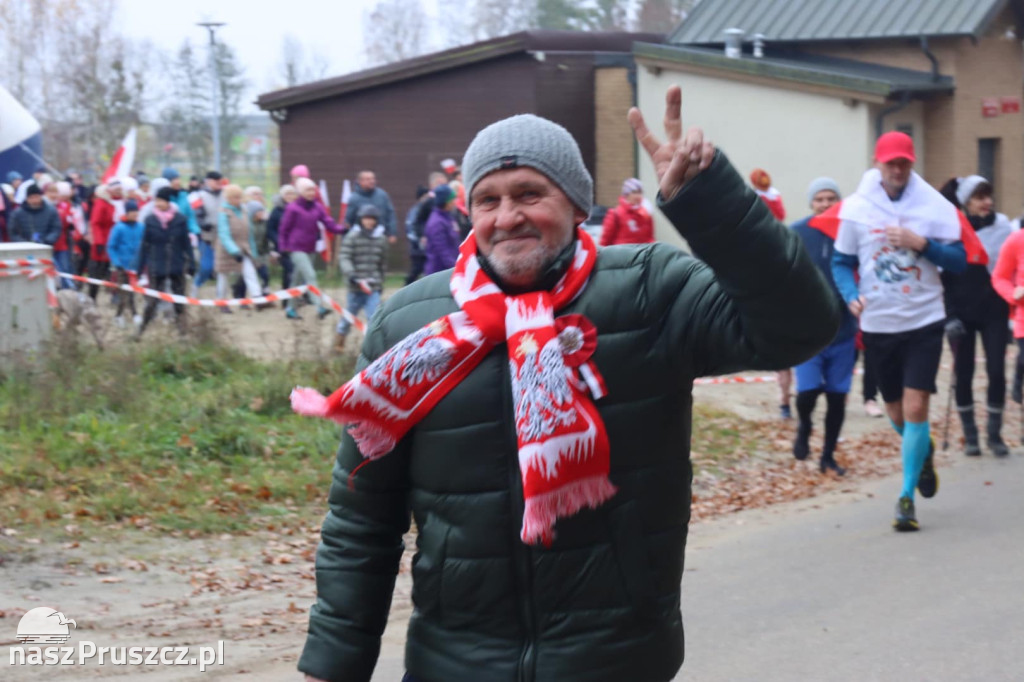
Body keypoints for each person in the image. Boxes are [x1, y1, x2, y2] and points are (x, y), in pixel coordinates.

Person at [292, 88, 839, 682]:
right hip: (455, 661)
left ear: (577, 204)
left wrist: (710, 202)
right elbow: (363, 516)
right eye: (488, 200)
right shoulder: (408, 324)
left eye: (530, 193)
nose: (507, 217)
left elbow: (799, 327)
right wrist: (334, 664)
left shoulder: (648, 291)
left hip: (616, 657)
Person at [832, 131, 967, 532]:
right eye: (890, 163)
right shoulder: (856, 210)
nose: (896, 169)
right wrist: (850, 294)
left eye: (903, 163)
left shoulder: (933, 207)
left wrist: (921, 243)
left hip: (924, 320)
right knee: (895, 411)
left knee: (915, 408)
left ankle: (905, 498)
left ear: (911, 164)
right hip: (878, 325)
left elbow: (958, 262)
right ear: (877, 163)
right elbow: (840, 262)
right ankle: (921, 454)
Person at [937, 175, 1013, 456]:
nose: (988, 202)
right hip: (962, 314)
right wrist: (950, 317)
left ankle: (994, 435)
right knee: (964, 373)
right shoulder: (953, 231)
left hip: (994, 311)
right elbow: (943, 279)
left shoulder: (1003, 227)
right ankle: (971, 436)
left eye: (989, 196)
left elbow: (1010, 268)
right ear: (967, 202)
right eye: (981, 197)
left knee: (996, 371)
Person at [790, 177, 856, 474]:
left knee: (837, 398)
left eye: (831, 198)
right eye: (820, 199)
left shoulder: (850, 230)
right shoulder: (797, 233)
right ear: (811, 203)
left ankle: (828, 455)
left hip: (844, 330)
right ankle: (804, 425)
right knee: (808, 392)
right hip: (808, 331)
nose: (825, 204)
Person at [279, 177, 344, 320]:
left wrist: (341, 230)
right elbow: (284, 229)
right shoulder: (293, 208)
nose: (312, 192)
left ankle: (290, 309)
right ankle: (319, 306)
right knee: (310, 275)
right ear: (301, 192)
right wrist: (282, 248)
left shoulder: (317, 207)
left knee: (296, 280)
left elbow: (328, 222)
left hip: (310, 248)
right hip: (295, 248)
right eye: (308, 190)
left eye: (313, 190)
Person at [135, 186, 195, 338]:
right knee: (152, 301)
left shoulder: (180, 220)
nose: (158, 204)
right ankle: (141, 331)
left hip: (176, 265)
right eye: (157, 200)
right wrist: (139, 267)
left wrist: (192, 262)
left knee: (179, 300)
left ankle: (182, 332)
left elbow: (186, 243)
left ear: (168, 201)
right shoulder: (150, 220)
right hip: (156, 266)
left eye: (161, 201)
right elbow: (145, 245)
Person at [335, 204, 388, 351]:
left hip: (373, 286)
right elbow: (344, 257)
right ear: (361, 220)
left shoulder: (381, 239)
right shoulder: (352, 237)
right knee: (348, 316)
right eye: (366, 218)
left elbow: (382, 262)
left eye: (372, 219)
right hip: (355, 286)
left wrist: (381, 280)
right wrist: (351, 274)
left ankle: (373, 348)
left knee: (374, 317)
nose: (369, 222)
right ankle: (339, 342)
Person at [215, 184, 263, 308]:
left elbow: (249, 232)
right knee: (224, 276)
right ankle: (221, 301)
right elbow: (224, 234)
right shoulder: (223, 212)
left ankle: (257, 298)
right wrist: (234, 251)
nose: (238, 200)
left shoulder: (244, 210)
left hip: (244, 248)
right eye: (234, 197)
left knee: (250, 272)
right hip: (226, 250)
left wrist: (253, 251)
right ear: (228, 198)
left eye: (239, 197)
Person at [108, 198, 144, 328]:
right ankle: (126, 315)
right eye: (132, 211)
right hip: (122, 265)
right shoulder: (119, 228)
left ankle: (126, 315)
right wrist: (116, 262)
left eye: (136, 211)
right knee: (125, 292)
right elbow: (111, 246)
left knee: (132, 291)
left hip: (136, 266)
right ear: (127, 213)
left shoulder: (141, 227)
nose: (135, 214)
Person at [87, 179, 124, 301]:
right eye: (117, 190)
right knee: (98, 273)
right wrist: (99, 242)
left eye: (120, 189)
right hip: (103, 243)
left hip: (117, 242)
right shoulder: (102, 203)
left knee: (116, 272)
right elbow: (96, 223)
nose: (119, 192)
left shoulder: (121, 203)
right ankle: (92, 298)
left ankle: (116, 297)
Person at [344, 170, 397, 243]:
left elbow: (390, 215)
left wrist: (392, 233)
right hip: (360, 240)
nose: (372, 181)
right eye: (368, 179)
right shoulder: (354, 198)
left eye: (373, 179)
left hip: (381, 238)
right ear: (360, 181)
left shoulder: (382, 195)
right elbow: (348, 221)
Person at [600, 177, 655, 246]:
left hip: (642, 254)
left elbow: (650, 237)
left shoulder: (646, 213)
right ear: (626, 194)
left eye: (640, 192)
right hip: (623, 254)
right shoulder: (615, 214)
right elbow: (605, 240)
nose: (638, 196)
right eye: (634, 192)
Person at [194, 171, 223, 293]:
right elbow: (197, 215)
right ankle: (195, 287)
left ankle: (221, 297)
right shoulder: (200, 196)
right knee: (206, 267)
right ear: (208, 181)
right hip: (208, 236)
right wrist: (203, 224)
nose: (218, 183)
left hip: (224, 236)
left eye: (219, 181)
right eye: (215, 181)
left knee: (223, 269)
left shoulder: (225, 195)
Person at [266, 184, 297, 299]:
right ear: (282, 196)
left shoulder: (298, 208)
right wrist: (279, 241)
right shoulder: (277, 211)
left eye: (292, 193)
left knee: (295, 271)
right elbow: (270, 229)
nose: (290, 196)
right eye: (287, 194)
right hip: (283, 247)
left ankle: (295, 296)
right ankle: (287, 297)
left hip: (297, 245)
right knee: (289, 270)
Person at [422, 183, 460, 275]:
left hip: (449, 269)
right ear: (446, 202)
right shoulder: (437, 223)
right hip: (439, 273)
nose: (454, 202)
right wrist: (455, 268)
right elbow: (442, 251)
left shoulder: (448, 218)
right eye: (452, 199)